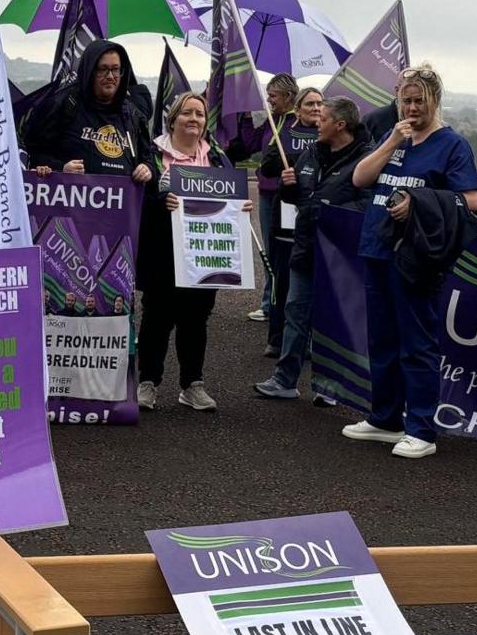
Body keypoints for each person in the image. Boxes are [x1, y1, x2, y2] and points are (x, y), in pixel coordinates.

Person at [343, 65, 477, 459]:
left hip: (417, 257)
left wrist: (418, 203)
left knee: (417, 344)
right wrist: (390, 141)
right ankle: (385, 419)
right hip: (377, 248)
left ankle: (421, 427)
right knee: (382, 340)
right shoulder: (396, 137)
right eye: (406, 100)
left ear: (435, 99)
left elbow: (471, 201)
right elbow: (359, 179)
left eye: (420, 100)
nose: (413, 107)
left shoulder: (452, 144)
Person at [138, 91, 244, 412]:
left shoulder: (216, 158)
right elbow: (137, 200)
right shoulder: (153, 155)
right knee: (156, 318)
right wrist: (160, 203)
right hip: (162, 253)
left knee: (195, 320)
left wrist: (242, 207)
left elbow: (230, 202)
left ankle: (192, 384)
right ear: (173, 119)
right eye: (187, 113)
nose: (194, 119)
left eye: (199, 114)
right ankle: (148, 382)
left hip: (203, 255)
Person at [257, 95, 368, 402]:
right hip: (305, 248)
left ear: (341, 125)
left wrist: (328, 210)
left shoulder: (366, 158)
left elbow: (368, 202)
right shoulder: (312, 152)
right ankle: (284, 379)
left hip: (341, 257)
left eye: (325, 117)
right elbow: (294, 197)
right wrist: (288, 187)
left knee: (331, 319)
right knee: (295, 312)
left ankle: (330, 386)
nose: (319, 121)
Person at [23, 39, 156, 180]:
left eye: (115, 69)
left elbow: (148, 161)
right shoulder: (64, 105)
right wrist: (61, 169)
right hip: (71, 198)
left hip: (121, 200)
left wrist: (148, 169)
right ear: (90, 70)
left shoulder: (132, 115)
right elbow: (36, 155)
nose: (110, 76)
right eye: (103, 69)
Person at [253, 83, 322, 346]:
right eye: (310, 104)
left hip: (316, 217)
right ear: (298, 108)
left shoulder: (327, 133)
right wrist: (289, 165)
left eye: (319, 104)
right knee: (282, 273)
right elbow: (267, 166)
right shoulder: (286, 132)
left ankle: (311, 339)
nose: (315, 108)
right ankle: (277, 337)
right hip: (285, 215)